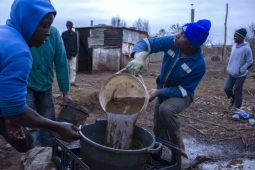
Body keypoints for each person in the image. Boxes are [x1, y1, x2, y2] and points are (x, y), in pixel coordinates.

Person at [0, 0, 80, 153]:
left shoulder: (5, 34)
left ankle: (41, 153)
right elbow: (16, 110)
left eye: (49, 26)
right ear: (28, 22)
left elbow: (6, 97)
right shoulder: (19, 52)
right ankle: (35, 157)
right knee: (29, 132)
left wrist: (7, 117)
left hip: (44, 84)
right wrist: (57, 126)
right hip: (29, 85)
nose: (48, 32)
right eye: (44, 25)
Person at [126, 20, 211, 158]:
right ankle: (160, 154)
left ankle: (180, 154)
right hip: (163, 92)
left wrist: (160, 92)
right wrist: (139, 56)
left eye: (183, 35)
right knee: (158, 128)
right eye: (180, 32)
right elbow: (147, 43)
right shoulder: (172, 43)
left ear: (192, 44)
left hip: (182, 95)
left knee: (165, 109)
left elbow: (185, 89)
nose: (177, 35)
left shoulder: (198, 64)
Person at [27, 25, 73, 147]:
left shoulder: (54, 33)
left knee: (49, 121)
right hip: (26, 82)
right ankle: (33, 155)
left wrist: (65, 92)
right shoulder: (25, 30)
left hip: (45, 83)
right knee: (30, 124)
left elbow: (61, 62)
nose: (46, 33)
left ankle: (48, 153)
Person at [224, 28, 253, 109]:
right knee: (226, 88)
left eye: (236, 37)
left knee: (237, 91)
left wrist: (241, 70)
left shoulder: (246, 48)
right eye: (234, 36)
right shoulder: (234, 46)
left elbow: (249, 61)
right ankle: (233, 99)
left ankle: (238, 107)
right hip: (232, 72)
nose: (234, 38)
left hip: (240, 74)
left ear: (242, 37)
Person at [62, 21, 79, 87]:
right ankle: (65, 82)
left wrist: (75, 53)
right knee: (65, 68)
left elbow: (76, 44)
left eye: (69, 25)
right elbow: (61, 44)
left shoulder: (75, 34)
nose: (68, 27)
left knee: (73, 68)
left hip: (73, 54)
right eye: (67, 25)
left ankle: (72, 81)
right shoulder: (64, 34)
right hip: (65, 54)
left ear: (72, 26)